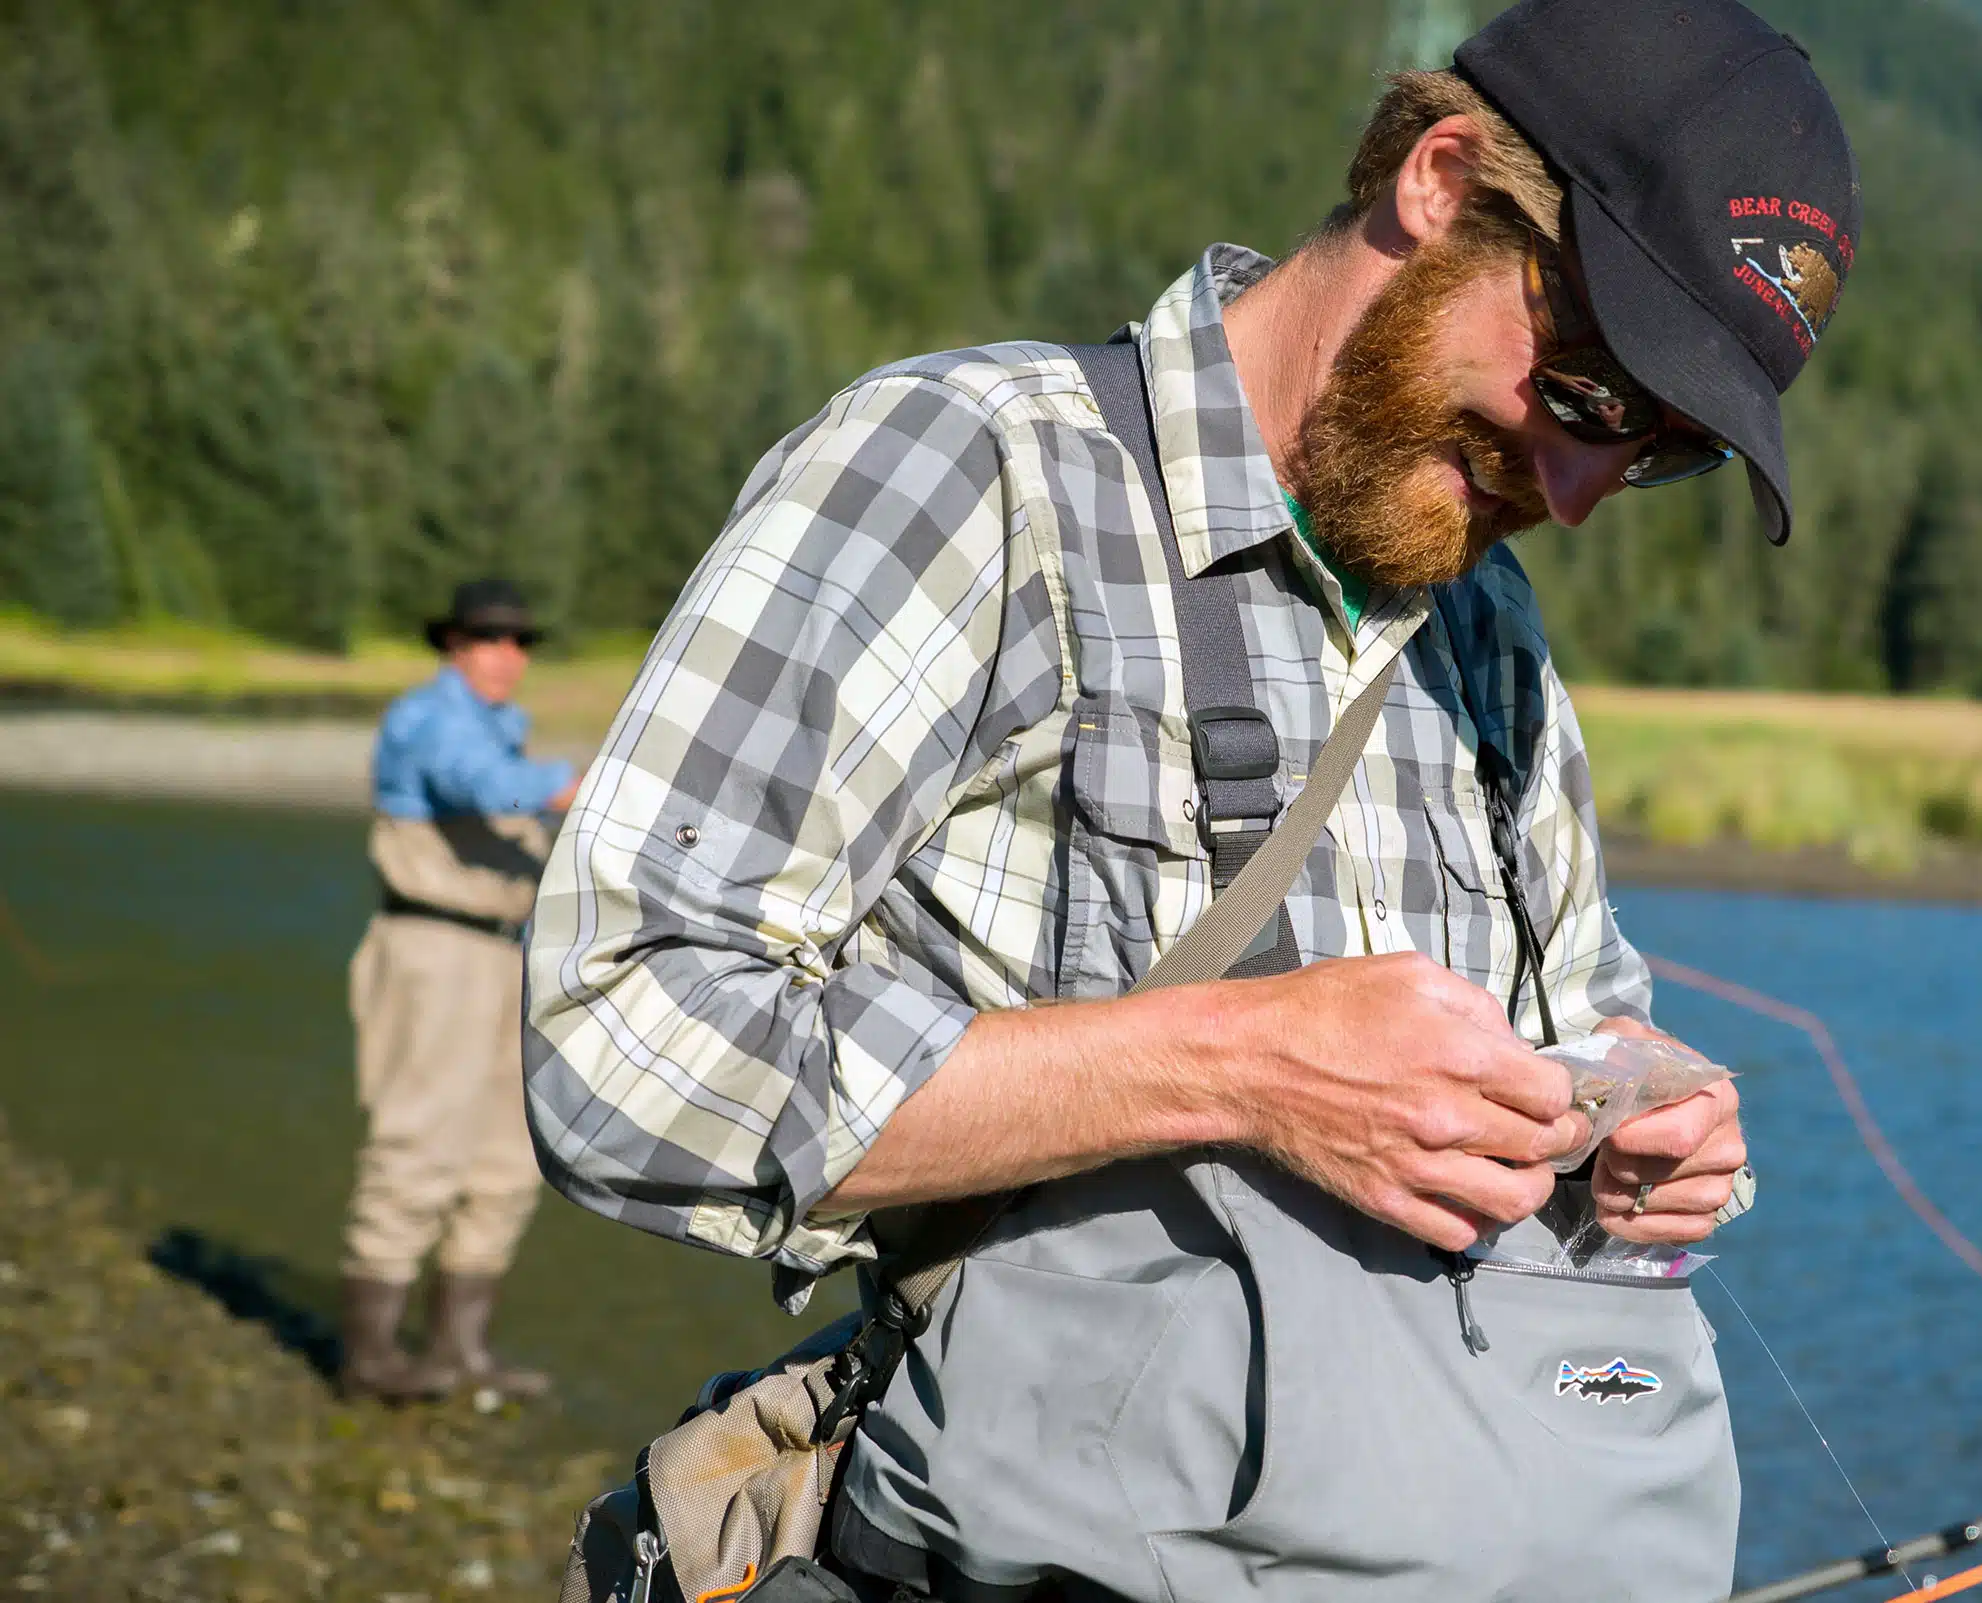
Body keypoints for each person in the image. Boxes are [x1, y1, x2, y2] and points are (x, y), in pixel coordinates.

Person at [527, 0, 1854, 1595]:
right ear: (1438, 181)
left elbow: (1587, 1006)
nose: (1576, 497)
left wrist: (1643, 1103)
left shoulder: (1486, 627)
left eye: (1662, 454)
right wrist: (1238, 1065)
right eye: (1581, 392)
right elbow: (619, 1038)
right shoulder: (973, 468)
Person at [340, 577, 578, 1403]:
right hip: (430, 950)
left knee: (508, 1154)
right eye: (486, 638)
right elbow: (481, 787)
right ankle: (370, 1357)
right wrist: (578, 785)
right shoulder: (426, 720)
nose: (505, 655)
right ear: (453, 645)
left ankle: (459, 1350)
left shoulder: (504, 733)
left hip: (505, 956)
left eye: (517, 641)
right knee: (417, 1143)